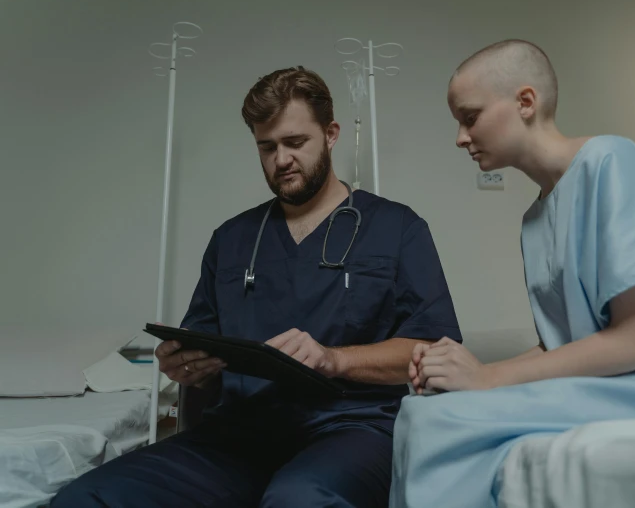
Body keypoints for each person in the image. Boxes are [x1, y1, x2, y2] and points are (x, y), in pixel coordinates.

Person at [52, 66, 461, 508]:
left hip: (351, 431)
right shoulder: (232, 239)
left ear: (331, 134)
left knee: (298, 500)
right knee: (88, 497)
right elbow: (199, 341)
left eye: (295, 142)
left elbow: (434, 350)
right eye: (266, 147)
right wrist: (182, 364)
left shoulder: (396, 228)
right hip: (238, 435)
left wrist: (334, 359)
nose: (280, 159)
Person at [389, 39, 635, 507]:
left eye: (470, 117)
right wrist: (470, 372)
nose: (460, 137)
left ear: (525, 102)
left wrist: (490, 378)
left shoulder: (611, 161)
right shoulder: (534, 219)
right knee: (423, 411)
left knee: (445, 423)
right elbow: (562, 343)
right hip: (625, 377)